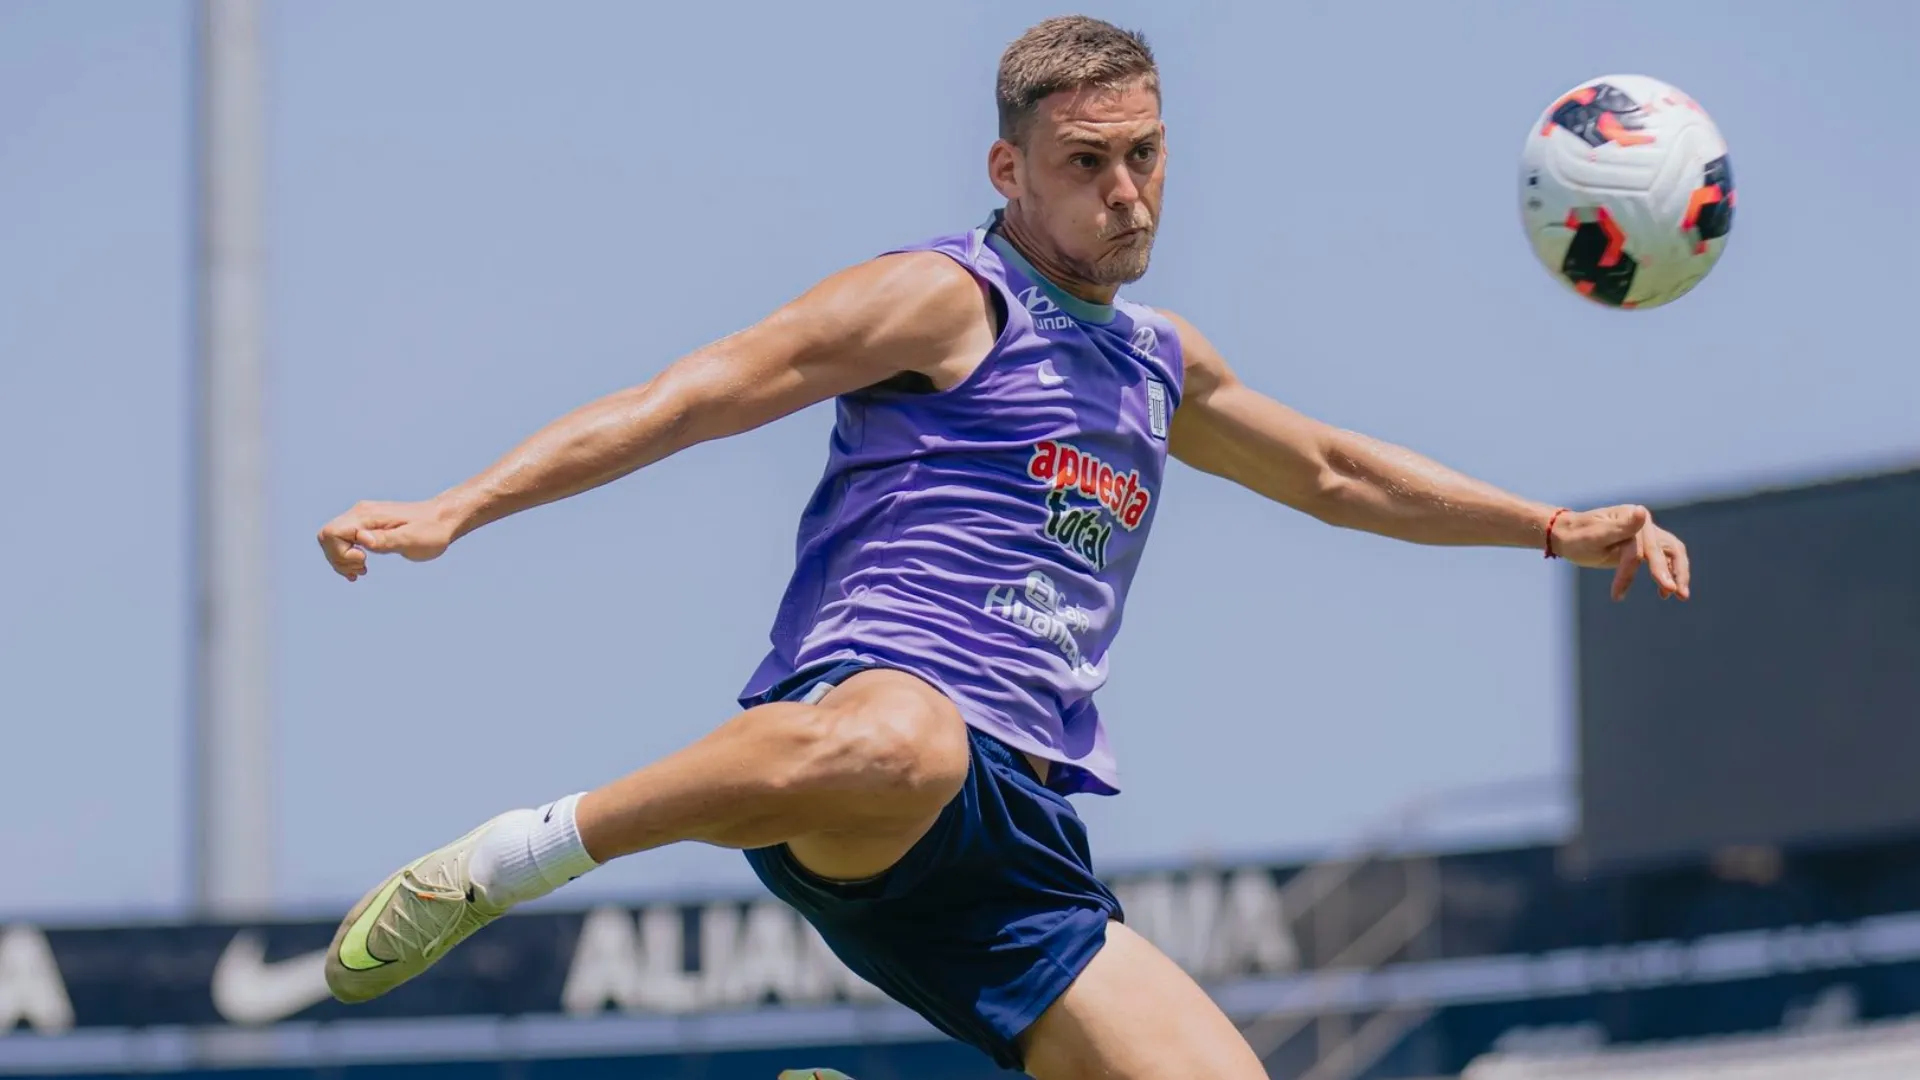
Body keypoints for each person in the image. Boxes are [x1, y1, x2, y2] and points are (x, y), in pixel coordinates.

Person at [313, 15, 1691, 1079]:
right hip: (866, 748)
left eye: (1146, 155)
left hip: (1022, 840)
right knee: (908, 740)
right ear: (1009, 170)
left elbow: (1334, 471)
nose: (1127, 193)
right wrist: (460, 507)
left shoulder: (1159, 364)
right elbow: (690, 395)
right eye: (1086, 165)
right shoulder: (944, 300)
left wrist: (1555, 526)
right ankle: (506, 858)